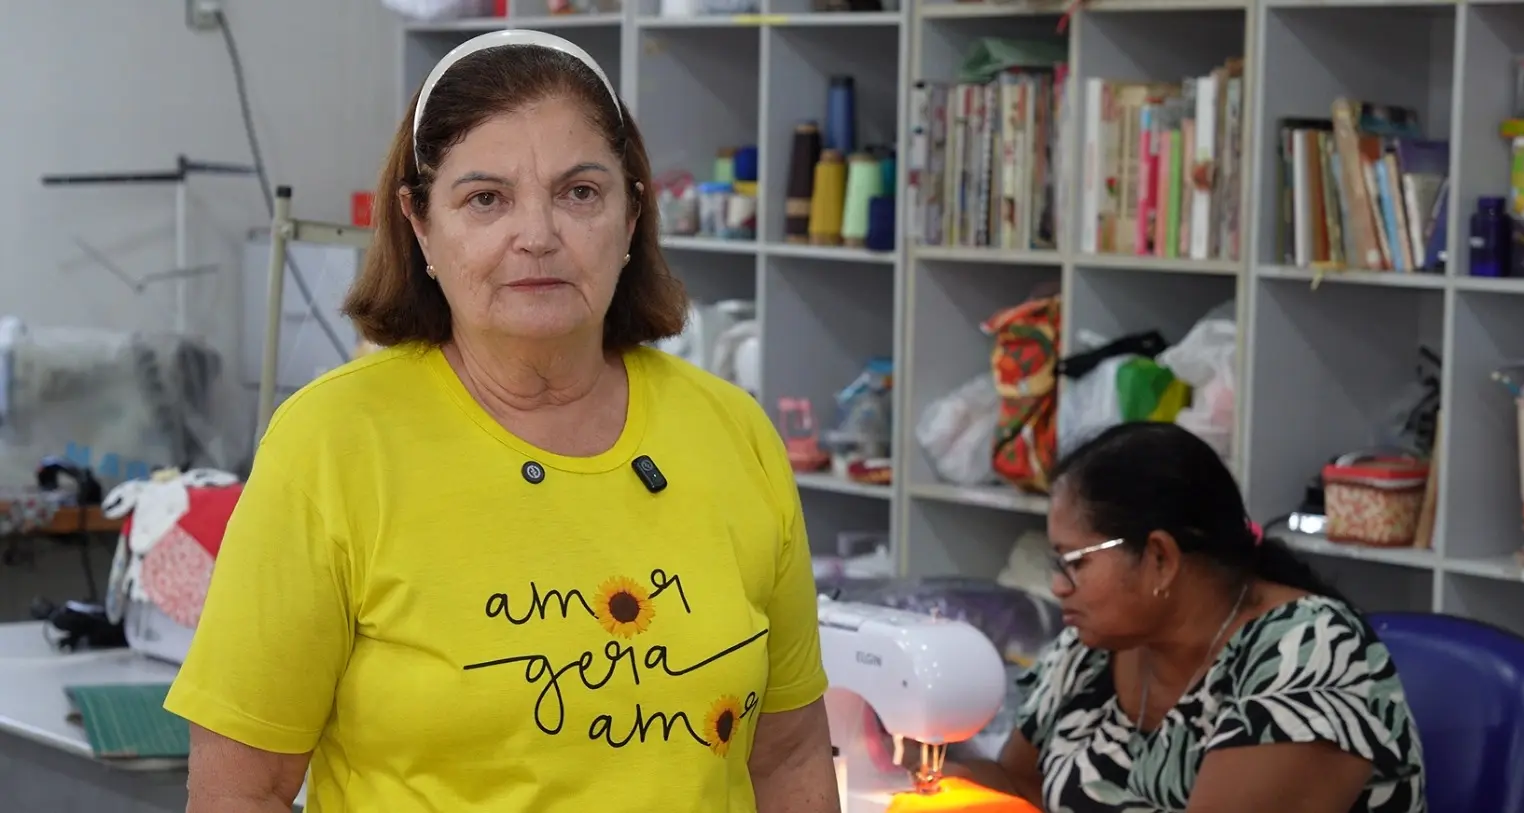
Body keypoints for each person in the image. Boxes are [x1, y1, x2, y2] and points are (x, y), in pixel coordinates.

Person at [163, 30, 839, 813]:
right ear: (419, 225)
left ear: (630, 215)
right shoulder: (333, 442)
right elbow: (239, 792)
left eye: (579, 192)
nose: (538, 235)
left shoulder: (733, 433)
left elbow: (789, 758)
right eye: (486, 198)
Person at [949, 422, 1426, 813]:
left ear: (1160, 557)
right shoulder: (1092, 648)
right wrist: (920, 760)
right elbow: (1020, 785)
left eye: (1075, 562)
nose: (1057, 586)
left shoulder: (1308, 654)